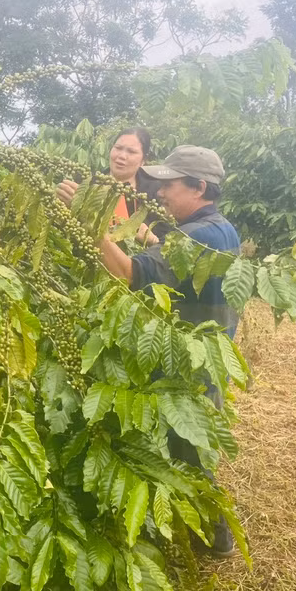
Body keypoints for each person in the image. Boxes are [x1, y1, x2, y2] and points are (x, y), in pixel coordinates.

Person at [97, 144, 240, 556]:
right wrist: (139, 232)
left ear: (198, 187)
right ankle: (196, 531)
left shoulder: (197, 236)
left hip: (185, 367)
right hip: (207, 358)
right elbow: (177, 260)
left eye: (170, 185)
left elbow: (130, 274)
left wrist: (90, 228)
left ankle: (216, 539)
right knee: (189, 448)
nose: (158, 192)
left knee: (190, 453)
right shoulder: (221, 229)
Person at [57, 127, 162, 245]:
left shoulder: (157, 191)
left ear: (143, 160)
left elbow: (168, 242)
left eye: (131, 152)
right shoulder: (86, 184)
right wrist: (73, 209)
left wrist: (153, 241)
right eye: (118, 148)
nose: (122, 156)